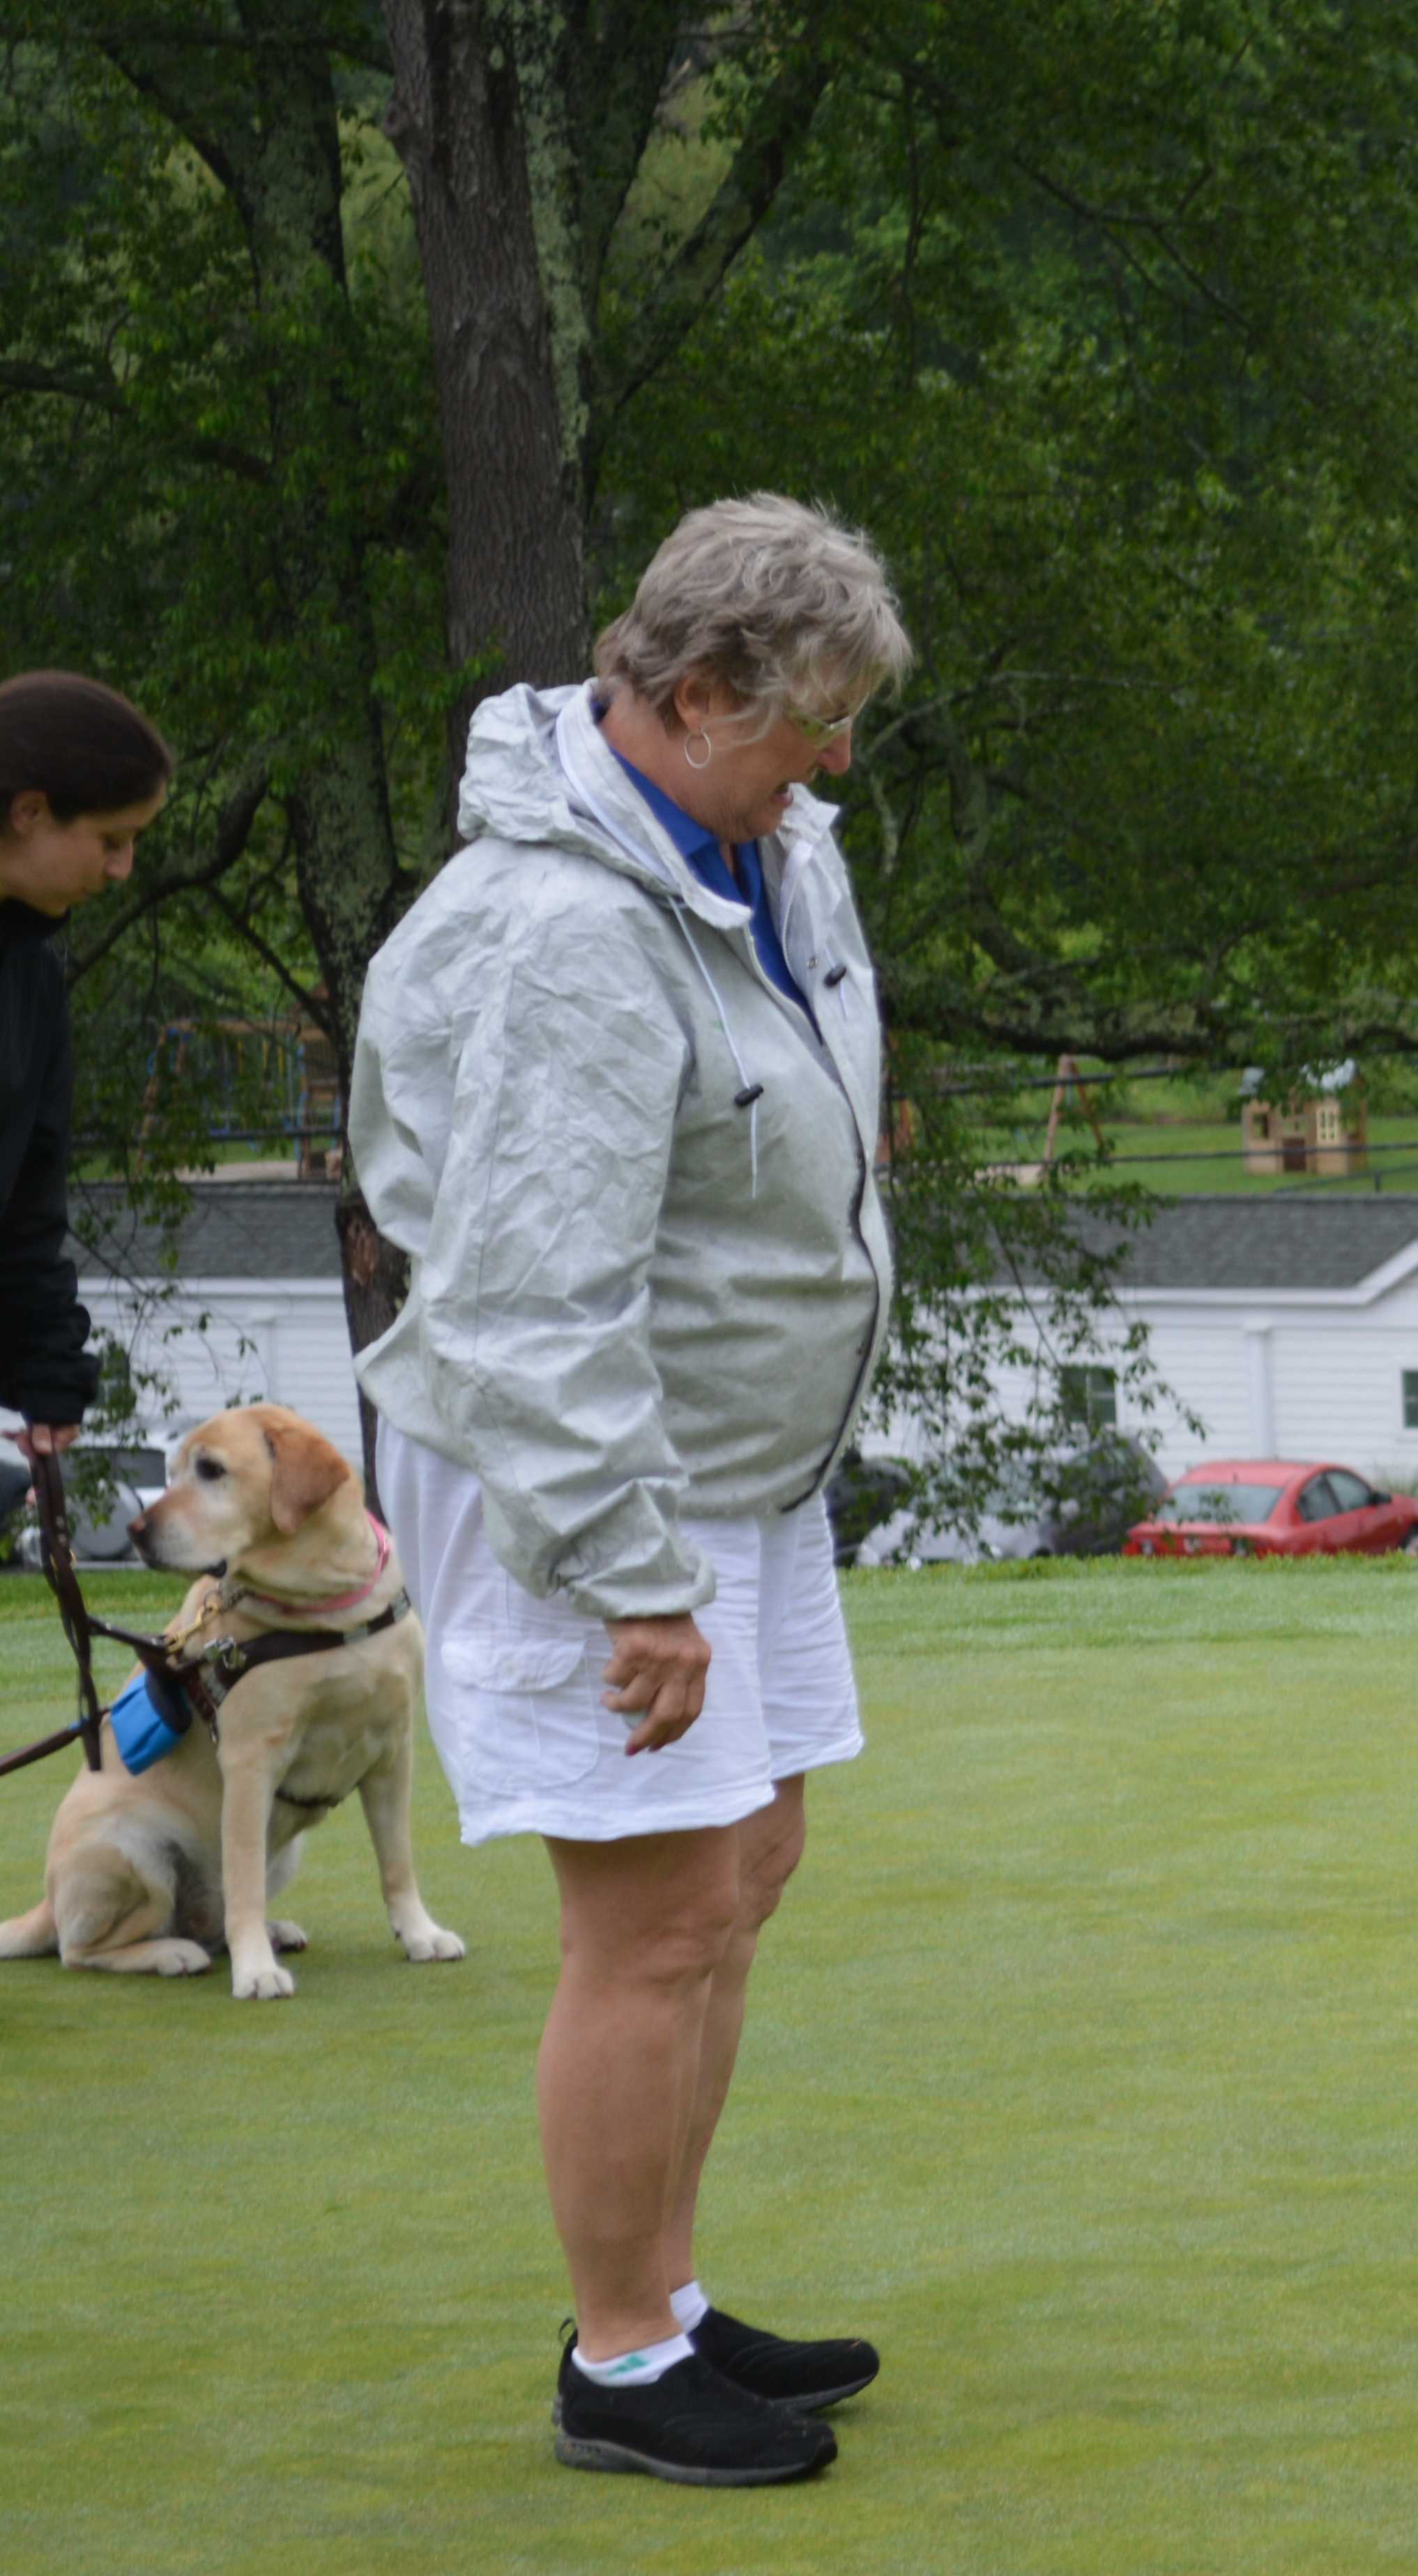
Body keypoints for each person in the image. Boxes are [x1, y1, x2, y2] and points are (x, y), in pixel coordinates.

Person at [351, 495, 909, 2483]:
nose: (838, 762)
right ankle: (615, 2361)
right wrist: (634, 1578)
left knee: (744, 1872)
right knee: (655, 1916)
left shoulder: (767, 833)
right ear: (684, 699)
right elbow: (529, 1299)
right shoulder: (560, 940)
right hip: (590, 1476)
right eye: (811, 722)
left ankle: (669, 2302)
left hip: (737, 1451)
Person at [0, 674, 170, 1489]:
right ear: (29, 812)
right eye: (110, 838)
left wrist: (47, 1365)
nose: (122, 869)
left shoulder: (30, 980)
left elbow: (28, 1206)